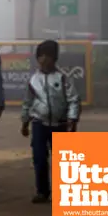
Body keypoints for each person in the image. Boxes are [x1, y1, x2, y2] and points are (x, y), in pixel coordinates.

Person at [21, 40, 81, 204]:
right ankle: (42, 191)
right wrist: (25, 122)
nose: (44, 59)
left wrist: (72, 119)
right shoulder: (33, 80)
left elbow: (73, 99)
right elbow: (27, 102)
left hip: (60, 124)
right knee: (39, 158)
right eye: (41, 56)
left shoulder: (62, 78)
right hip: (39, 124)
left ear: (54, 58)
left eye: (47, 56)